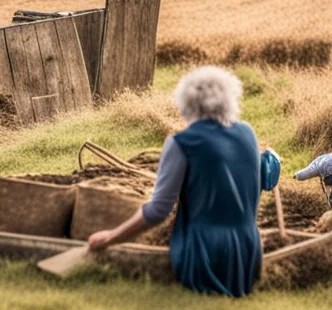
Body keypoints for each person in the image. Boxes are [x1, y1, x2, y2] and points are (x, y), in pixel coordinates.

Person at [88, 67, 262, 298]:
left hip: (205, 253)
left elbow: (159, 209)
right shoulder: (247, 133)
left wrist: (111, 237)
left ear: (186, 102)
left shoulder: (182, 142)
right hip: (248, 249)